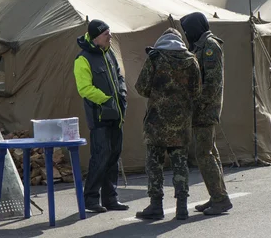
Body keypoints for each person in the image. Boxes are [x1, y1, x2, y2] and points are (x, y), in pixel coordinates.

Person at [134, 28, 202, 220]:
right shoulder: (191, 60)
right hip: (181, 122)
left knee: (154, 164)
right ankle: (182, 206)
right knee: (180, 164)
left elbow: (141, 87)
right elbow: (196, 91)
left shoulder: (155, 58)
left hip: (157, 121)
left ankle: (156, 205)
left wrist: (159, 94)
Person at [74, 19, 129, 213]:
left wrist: (122, 94)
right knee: (100, 157)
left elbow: (119, 77)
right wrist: (106, 100)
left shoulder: (110, 54)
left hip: (117, 115)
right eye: (106, 34)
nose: (110, 36)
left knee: (114, 156)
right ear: (96, 37)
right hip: (99, 117)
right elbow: (84, 88)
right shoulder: (83, 59)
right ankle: (90, 199)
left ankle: (110, 199)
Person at [180, 12, 233, 216]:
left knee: (204, 155)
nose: (186, 34)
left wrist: (198, 105)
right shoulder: (201, 46)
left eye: (187, 30)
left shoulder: (210, 46)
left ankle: (220, 199)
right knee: (210, 153)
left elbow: (212, 82)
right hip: (202, 109)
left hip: (204, 109)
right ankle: (218, 195)